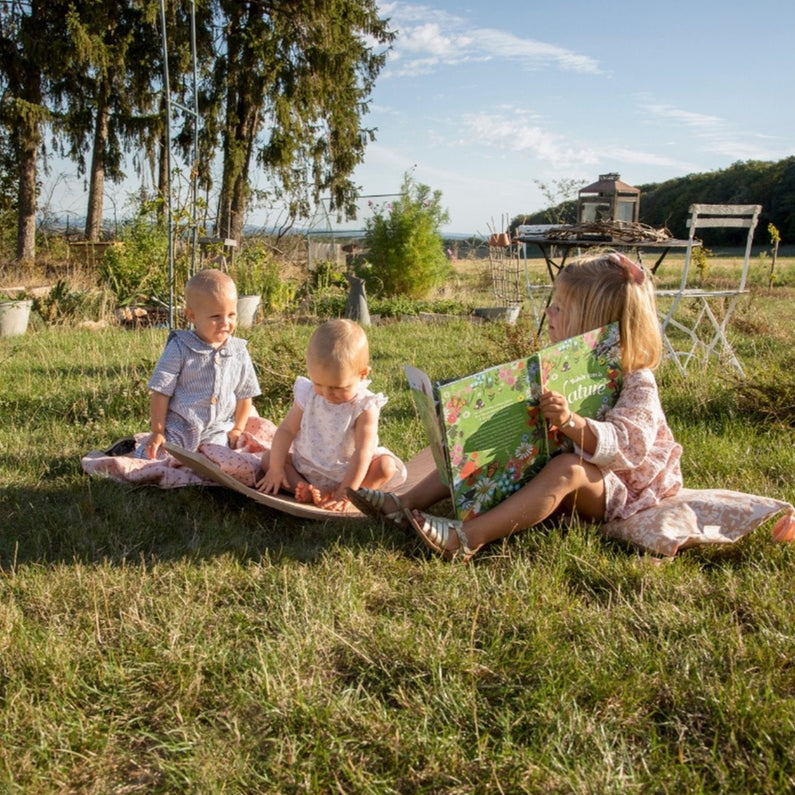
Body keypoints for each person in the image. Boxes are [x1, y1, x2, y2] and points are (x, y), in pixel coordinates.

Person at [348, 251, 683, 560]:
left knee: (568, 468)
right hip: (558, 463)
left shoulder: (636, 380)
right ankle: (403, 504)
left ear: (593, 325)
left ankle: (468, 537)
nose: (549, 312)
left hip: (617, 487)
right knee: (474, 450)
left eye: (561, 309)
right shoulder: (556, 369)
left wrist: (571, 423)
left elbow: (629, 446)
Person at [256, 318, 406, 511]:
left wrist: (346, 490)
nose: (327, 393)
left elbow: (363, 453)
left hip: (350, 474)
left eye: (337, 387)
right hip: (307, 467)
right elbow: (286, 429)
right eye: (318, 384)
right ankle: (307, 489)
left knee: (385, 467)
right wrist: (276, 469)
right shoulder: (307, 393)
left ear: (362, 375)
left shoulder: (364, 406)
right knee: (269, 459)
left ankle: (348, 495)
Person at [137, 268, 261, 459]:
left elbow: (245, 395)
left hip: (218, 429)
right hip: (181, 425)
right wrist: (157, 431)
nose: (225, 323)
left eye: (231, 315)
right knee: (153, 456)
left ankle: (205, 467)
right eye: (215, 317)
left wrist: (237, 428)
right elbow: (161, 391)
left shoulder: (239, 351)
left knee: (224, 458)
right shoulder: (179, 347)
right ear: (192, 316)